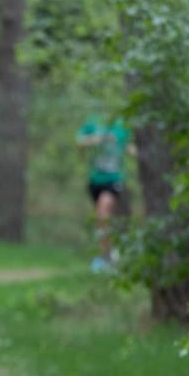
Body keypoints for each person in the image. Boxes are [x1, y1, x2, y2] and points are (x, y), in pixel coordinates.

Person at [76, 115, 133, 273]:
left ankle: (108, 256)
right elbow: (79, 142)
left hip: (114, 179)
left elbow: (130, 146)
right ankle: (107, 254)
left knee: (102, 213)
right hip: (95, 180)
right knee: (101, 220)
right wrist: (98, 139)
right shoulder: (93, 122)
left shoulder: (122, 125)